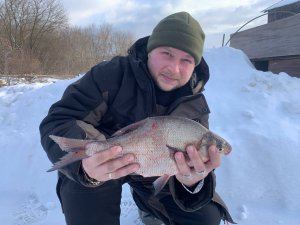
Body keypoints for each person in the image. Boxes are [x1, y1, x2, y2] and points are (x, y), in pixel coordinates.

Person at [39, 11, 235, 225]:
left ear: (194, 66)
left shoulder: (195, 106)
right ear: (151, 50)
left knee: (205, 219)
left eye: (186, 60)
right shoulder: (110, 75)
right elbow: (59, 120)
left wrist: (192, 181)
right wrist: (85, 166)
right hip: (104, 163)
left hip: (156, 170)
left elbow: (194, 173)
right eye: (166, 53)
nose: (174, 68)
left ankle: (147, 206)